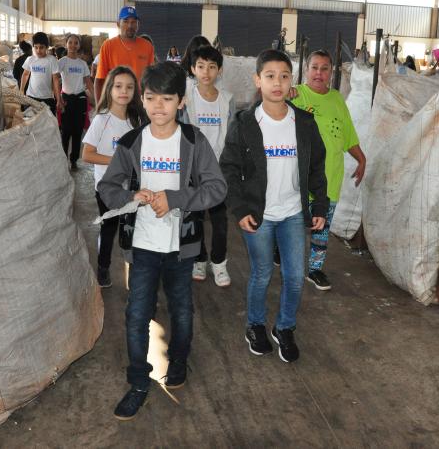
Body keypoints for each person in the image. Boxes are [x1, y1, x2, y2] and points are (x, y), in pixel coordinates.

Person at [98, 61, 227, 421]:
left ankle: (180, 362)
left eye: (167, 99)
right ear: (143, 98)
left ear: (181, 102)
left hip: (181, 248)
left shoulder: (193, 141)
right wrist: (129, 195)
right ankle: (139, 381)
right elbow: (106, 187)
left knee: (182, 311)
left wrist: (176, 198)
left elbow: (217, 187)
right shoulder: (130, 143)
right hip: (141, 246)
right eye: (151, 98)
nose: (158, 107)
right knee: (136, 314)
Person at [221, 49, 327, 363]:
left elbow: (316, 168)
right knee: (262, 272)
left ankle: (285, 327)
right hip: (259, 215)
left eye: (283, 76)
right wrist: (240, 210)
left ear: (291, 80)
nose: (277, 83)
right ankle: (255, 325)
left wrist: (319, 206)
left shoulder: (304, 122)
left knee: (295, 275)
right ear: (258, 80)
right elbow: (228, 168)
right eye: (270, 76)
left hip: (293, 213)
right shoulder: (245, 122)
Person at [290, 50, 366, 291]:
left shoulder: (336, 99)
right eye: (314, 67)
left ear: (331, 72)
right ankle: (282, 254)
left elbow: (348, 135)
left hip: (329, 179)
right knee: (291, 226)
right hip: (298, 180)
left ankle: (314, 269)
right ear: (306, 70)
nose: (319, 73)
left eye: (324, 69)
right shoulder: (296, 95)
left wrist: (361, 159)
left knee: (321, 230)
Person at [82, 66, 145, 287]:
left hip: (131, 188)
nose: (123, 91)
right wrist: (117, 162)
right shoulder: (102, 120)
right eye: (118, 86)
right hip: (106, 188)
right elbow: (87, 154)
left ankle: (134, 272)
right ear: (110, 89)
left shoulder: (137, 120)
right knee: (109, 229)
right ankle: (103, 267)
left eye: (129, 87)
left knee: (132, 230)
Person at [180, 45, 235, 286]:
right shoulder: (185, 99)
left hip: (218, 170)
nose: (206, 72)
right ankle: (199, 259)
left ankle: (219, 263)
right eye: (201, 66)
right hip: (194, 169)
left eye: (212, 67)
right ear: (193, 69)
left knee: (221, 221)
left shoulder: (227, 100)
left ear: (219, 71)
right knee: (196, 218)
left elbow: (231, 134)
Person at [94, 6, 156, 109]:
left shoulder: (147, 46)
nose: (130, 25)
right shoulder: (108, 46)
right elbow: (100, 80)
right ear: (118, 24)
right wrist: (99, 107)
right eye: (126, 21)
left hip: (139, 104)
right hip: (114, 103)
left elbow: (151, 79)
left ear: (138, 25)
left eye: (133, 22)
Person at [59, 34, 93, 171]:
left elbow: (88, 82)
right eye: (70, 42)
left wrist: (97, 98)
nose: (73, 45)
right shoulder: (61, 62)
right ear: (66, 44)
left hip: (80, 99)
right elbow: (55, 78)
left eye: (76, 43)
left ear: (79, 45)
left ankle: (74, 160)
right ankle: (63, 159)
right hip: (66, 100)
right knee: (65, 131)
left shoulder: (82, 64)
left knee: (78, 131)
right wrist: (57, 97)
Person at [20, 32, 61, 115]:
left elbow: (56, 80)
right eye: (36, 47)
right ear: (33, 47)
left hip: (47, 98)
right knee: (31, 124)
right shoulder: (30, 59)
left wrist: (58, 98)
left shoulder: (52, 60)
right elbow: (25, 74)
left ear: (47, 47)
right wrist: (21, 90)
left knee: (47, 124)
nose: (38, 50)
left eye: (41, 47)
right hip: (31, 98)